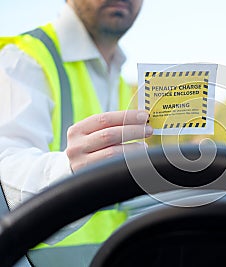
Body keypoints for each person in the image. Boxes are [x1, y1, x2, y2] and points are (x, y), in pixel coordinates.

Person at [0, 0, 153, 209]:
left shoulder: (120, 81)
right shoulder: (23, 59)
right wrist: (69, 171)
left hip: (112, 242)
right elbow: (6, 169)